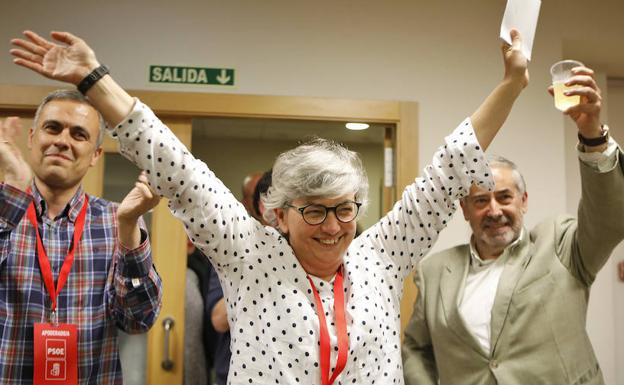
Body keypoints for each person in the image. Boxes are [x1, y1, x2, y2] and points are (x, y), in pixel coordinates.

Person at [10, 28, 528, 384]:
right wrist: (94, 80)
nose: (333, 226)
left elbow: (447, 170)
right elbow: (177, 167)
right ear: (278, 214)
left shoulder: (381, 256)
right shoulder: (249, 255)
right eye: (315, 211)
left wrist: (510, 85)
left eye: (345, 209)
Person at [402, 65, 622, 385]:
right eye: (480, 201)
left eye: (504, 197)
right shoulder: (434, 271)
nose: (494, 211)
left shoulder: (560, 244)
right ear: (464, 209)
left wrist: (593, 136)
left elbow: (609, 220)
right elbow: (416, 349)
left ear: (524, 200)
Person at [0, 91, 162, 384]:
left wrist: (128, 229)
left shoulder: (118, 221)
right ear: (32, 137)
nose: (62, 140)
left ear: (95, 155)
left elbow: (138, 320)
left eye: (78, 134)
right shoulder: (4, 211)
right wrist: (12, 189)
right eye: (53, 128)